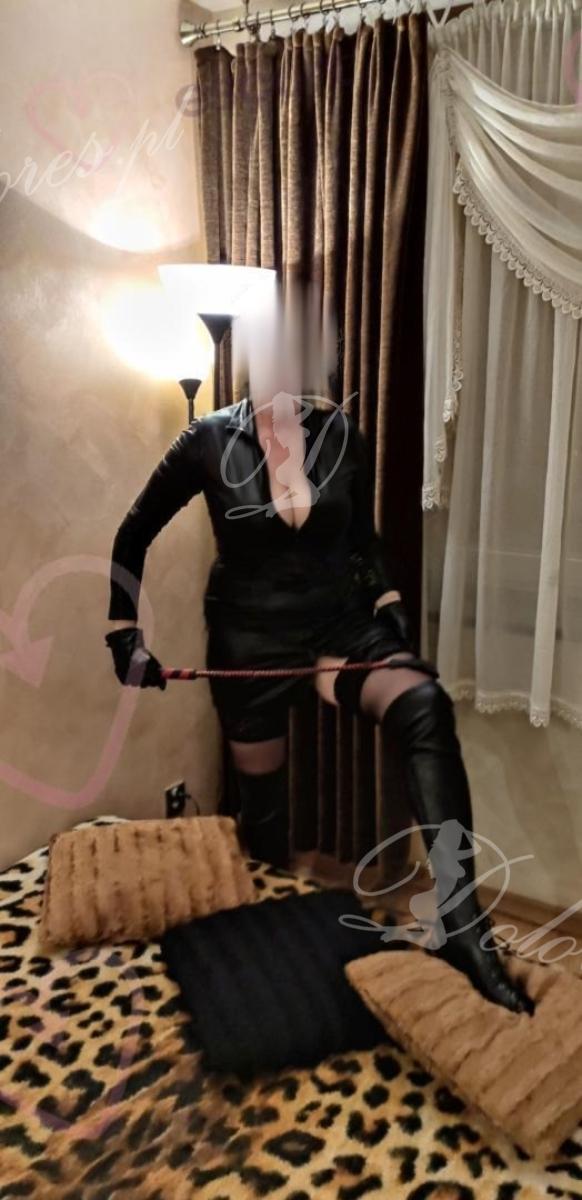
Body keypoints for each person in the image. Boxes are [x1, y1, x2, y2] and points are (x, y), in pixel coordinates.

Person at [105, 325, 533, 1017]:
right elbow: (133, 532)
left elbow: (361, 539)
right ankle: (272, 955)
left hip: (338, 632)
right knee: (265, 818)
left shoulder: (340, 433)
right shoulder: (207, 439)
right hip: (251, 640)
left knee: (423, 705)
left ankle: (461, 924)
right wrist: (122, 632)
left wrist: (387, 600)